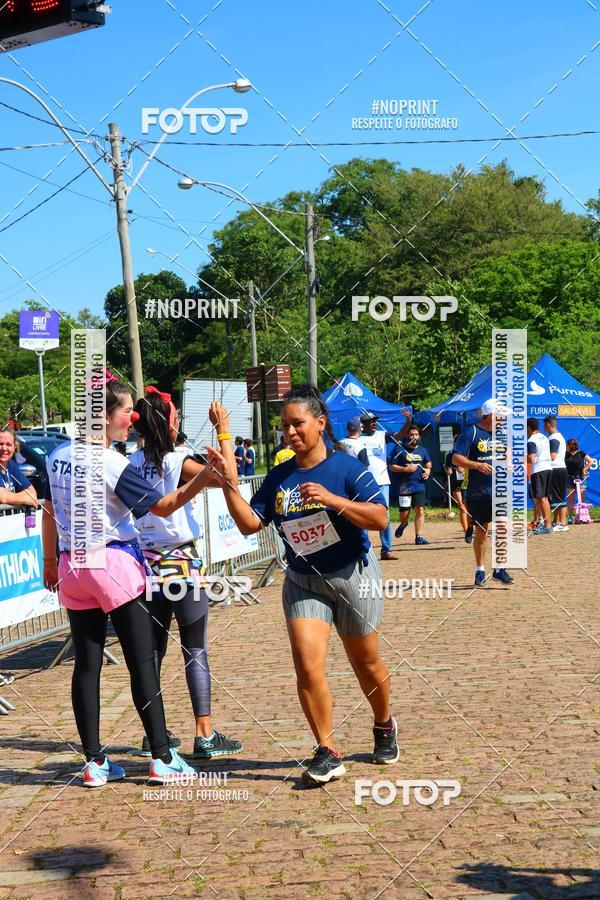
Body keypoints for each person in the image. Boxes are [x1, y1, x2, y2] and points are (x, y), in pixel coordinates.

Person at [205, 385, 399, 785]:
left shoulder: (347, 469)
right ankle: (327, 750)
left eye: (298, 424)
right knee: (307, 666)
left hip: (352, 576)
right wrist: (228, 484)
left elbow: (380, 519)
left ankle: (384, 723)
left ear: (320, 423)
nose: (290, 432)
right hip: (303, 581)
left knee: (366, 663)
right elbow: (249, 524)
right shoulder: (280, 476)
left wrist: (332, 499)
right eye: (284, 426)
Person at [41, 374, 211, 787]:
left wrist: (48, 560)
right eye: (125, 412)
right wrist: (204, 479)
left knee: (86, 664)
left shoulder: (57, 454)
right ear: (103, 417)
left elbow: (48, 508)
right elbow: (166, 506)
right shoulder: (113, 463)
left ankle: (95, 762)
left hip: (71, 566)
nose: (132, 420)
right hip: (113, 564)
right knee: (142, 662)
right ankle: (161, 756)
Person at [130, 388, 242, 760]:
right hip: (181, 564)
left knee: (153, 653)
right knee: (194, 648)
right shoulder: (178, 461)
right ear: (170, 422)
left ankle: (155, 734)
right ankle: (204, 735)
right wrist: (223, 430)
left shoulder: (129, 463)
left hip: (145, 566)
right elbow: (231, 480)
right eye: (176, 415)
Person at [452, 399, 514, 587]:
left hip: (499, 489)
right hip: (478, 491)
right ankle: (480, 570)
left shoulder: (501, 434)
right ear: (492, 415)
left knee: (503, 526)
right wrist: (476, 465)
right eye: (501, 415)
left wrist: (509, 462)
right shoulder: (471, 432)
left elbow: (506, 450)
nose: (503, 419)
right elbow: (455, 458)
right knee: (482, 533)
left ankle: (499, 569)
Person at [358, 410, 411, 561]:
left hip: (382, 481)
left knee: (385, 516)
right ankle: (365, 550)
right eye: (371, 421)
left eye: (375, 420)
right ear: (364, 424)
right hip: (364, 482)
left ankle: (386, 549)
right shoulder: (358, 439)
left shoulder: (382, 435)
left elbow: (400, 436)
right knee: (363, 516)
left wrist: (407, 421)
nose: (374, 423)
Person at [388, 425, 432, 546]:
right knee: (404, 514)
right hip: (404, 487)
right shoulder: (399, 449)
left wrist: (428, 471)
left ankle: (419, 536)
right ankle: (403, 524)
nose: (414, 437)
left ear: (419, 436)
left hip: (419, 485)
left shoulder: (423, 450)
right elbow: (392, 466)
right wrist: (405, 469)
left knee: (420, 510)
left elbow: (428, 464)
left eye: (416, 435)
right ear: (407, 435)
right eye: (411, 434)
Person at [0, 426, 38, 509]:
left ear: (14, 447)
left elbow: (32, 491)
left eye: (9, 444)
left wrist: (11, 498)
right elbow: (2, 497)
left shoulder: (11, 465)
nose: (4, 448)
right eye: (0, 444)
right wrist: (24, 499)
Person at [527, 417, 552, 535]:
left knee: (541, 498)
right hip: (548, 468)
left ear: (528, 427)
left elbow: (531, 459)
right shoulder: (544, 437)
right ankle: (548, 524)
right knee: (545, 498)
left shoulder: (531, 440)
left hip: (539, 470)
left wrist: (520, 459)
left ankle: (547, 525)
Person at [442, 437, 471, 542]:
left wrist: (465, 468)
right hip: (456, 484)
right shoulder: (450, 455)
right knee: (462, 507)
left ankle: (471, 527)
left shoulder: (470, 454)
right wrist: (448, 470)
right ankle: (466, 531)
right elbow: (446, 467)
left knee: (470, 508)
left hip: (468, 483)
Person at [564, 438, 592, 522]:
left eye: (567, 445)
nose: (565, 447)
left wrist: (584, 469)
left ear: (571, 446)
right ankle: (570, 517)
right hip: (569, 478)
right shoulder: (565, 454)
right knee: (570, 499)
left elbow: (590, 461)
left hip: (581, 478)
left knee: (582, 498)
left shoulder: (581, 453)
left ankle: (585, 516)